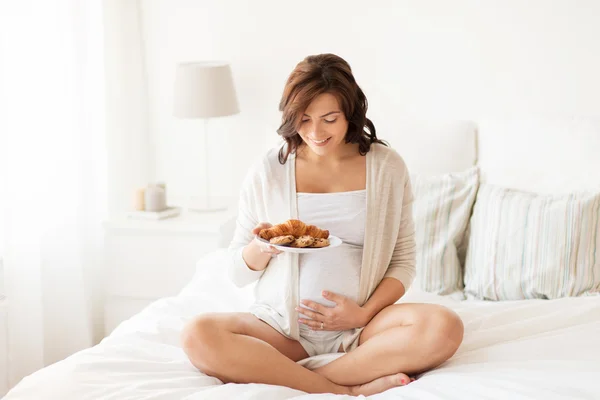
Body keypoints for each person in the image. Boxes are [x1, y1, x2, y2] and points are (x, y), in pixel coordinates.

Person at [181, 53, 464, 396]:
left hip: (362, 332)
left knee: (444, 327)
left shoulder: (387, 167)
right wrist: (262, 248)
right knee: (197, 334)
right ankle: (344, 388)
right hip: (281, 329)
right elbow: (237, 272)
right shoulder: (269, 169)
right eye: (304, 118)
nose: (315, 132)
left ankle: (297, 375)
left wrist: (361, 316)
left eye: (329, 119)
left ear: (350, 114)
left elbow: (403, 261)